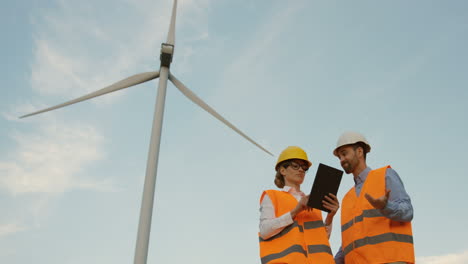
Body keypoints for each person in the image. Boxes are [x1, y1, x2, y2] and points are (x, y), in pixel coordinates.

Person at [333, 131, 415, 264]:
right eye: (339, 157)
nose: (341, 160)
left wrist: (385, 207)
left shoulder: (385, 175)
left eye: (344, 153)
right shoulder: (347, 198)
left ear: (359, 152)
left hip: (390, 260)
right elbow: (349, 242)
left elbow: (407, 211)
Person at [258, 146, 339, 264]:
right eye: (295, 166)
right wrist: (295, 212)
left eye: (304, 167)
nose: (301, 170)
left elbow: (321, 240)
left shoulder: (312, 202)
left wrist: (330, 217)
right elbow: (264, 231)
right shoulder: (272, 196)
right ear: (282, 170)